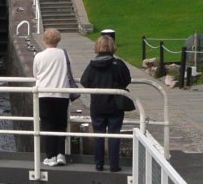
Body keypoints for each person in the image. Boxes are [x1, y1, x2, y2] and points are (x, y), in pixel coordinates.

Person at [79, 33, 133, 172]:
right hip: (115, 104)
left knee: (99, 134)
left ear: (97, 47)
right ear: (112, 47)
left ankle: (99, 163)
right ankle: (114, 165)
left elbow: (84, 81)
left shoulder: (92, 65)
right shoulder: (118, 64)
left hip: (97, 105)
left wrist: (95, 89)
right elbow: (127, 79)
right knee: (114, 135)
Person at [32, 27, 78, 167]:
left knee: (48, 125)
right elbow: (70, 72)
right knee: (60, 125)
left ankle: (50, 156)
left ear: (44, 40)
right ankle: (60, 154)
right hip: (62, 94)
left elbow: (36, 74)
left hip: (45, 94)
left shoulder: (39, 56)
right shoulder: (64, 54)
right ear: (58, 40)